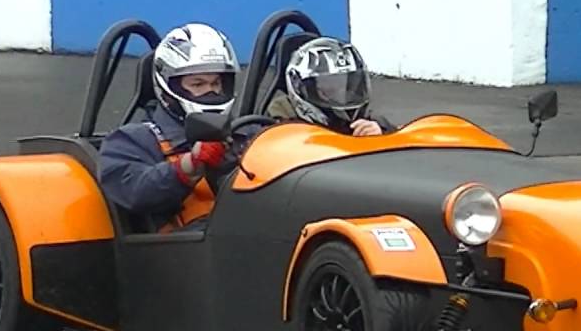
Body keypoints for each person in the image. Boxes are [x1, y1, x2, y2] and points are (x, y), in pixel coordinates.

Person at [98, 22, 239, 233]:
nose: (211, 92)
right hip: (186, 245)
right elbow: (133, 191)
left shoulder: (244, 131)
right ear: (168, 87)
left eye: (216, 83)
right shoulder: (132, 140)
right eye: (198, 84)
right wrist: (188, 165)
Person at [266, 36, 396, 135]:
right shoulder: (280, 121)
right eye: (329, 82)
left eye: (344, 81)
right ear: (304, 87)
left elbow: (398, 139)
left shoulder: (363, 120)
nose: (339, 88)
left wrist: (381, 134)